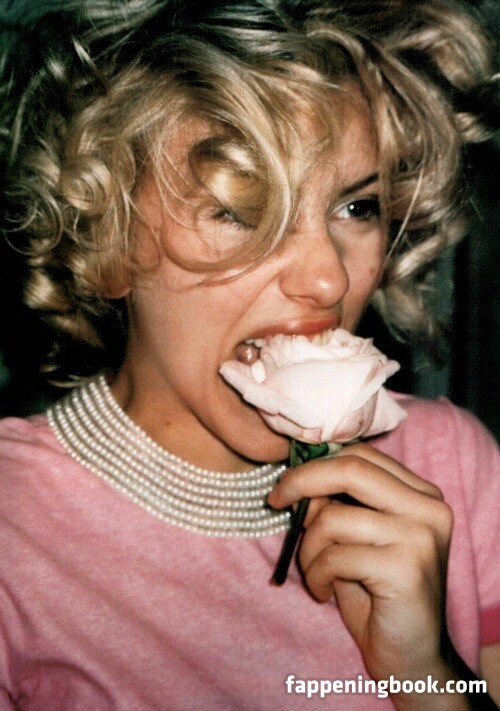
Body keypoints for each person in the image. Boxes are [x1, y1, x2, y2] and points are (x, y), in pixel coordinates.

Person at [0, 0, 498, 709]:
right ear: (104, 240)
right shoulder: (14, 527)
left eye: (356, 207)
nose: (328, 278)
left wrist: (430, 677)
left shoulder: (454, 469)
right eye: (239, 207)